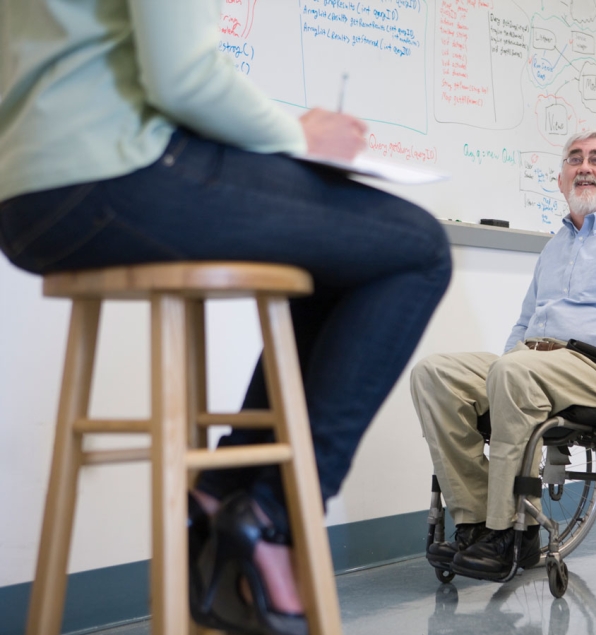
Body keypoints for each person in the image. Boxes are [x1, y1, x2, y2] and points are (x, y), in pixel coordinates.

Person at [0, 2, 451, 634]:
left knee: (346, 252)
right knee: (418, 248)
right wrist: (302, 137)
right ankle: (274, 519)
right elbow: (181, 76)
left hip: (25, 197)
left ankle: (228, 484)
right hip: (118, 172)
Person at [411, 130, 596, 581]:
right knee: (435, 374)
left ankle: (516, 534)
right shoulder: (555, 246)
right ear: (560, 179)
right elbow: (525, 321)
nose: (585, 166)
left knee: (516, 373)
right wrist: (506, 365)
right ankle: (474, 525)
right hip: (534, 361)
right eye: (575, 159)